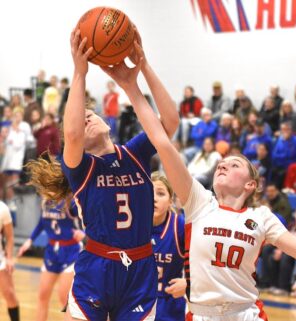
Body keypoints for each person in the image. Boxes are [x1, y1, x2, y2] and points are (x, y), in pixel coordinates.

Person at [109, 43, 296, 321]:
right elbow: (162, 141)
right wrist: (133, 85)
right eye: (221, 163)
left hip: (246, 314)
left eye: (234, 164)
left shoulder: (261, 217)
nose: (223, 163)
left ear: (251, 184)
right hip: (202, 315)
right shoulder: (198, 202)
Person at [59, 28, 179, 320]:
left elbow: (171, 121)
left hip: (140, 269)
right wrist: (80, 73)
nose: (86, 117)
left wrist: (141, 71)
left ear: (107, 122)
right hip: (97, 267)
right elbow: (72, 134)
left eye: (91, 113)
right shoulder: (81, 168)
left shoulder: (135, 153)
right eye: (82, 117)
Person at [18, 156, 84, 321]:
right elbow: (42, 222)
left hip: (71, 252)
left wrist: (85, 234)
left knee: (64, 301)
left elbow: (89, 219)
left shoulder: (70, 201)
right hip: (51, 252)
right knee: (42, 297)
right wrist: (30, 240)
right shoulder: (46, 201)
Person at [151, 172, 186, 321]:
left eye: (160, 194)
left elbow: (205, 260)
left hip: (168, 305)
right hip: (135, 302)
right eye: (148, 192)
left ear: (170, 201)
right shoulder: (131, 224)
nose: (153, 199)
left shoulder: (180, 226)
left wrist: (189, 283)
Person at [0, 201, 20, 321]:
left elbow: (10, 237)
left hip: (0, 259)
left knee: (10, 294)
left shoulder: (3, 209)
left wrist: (9, 258)